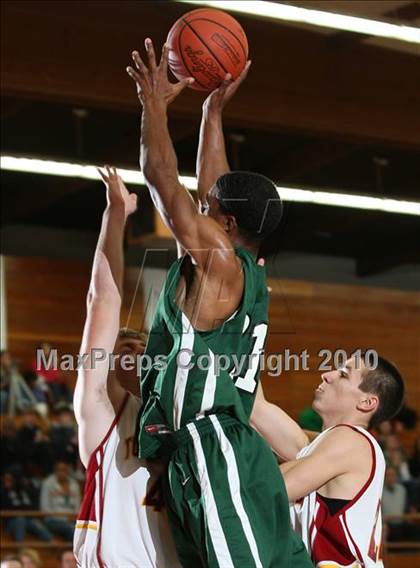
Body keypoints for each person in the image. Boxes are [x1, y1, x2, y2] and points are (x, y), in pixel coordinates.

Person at [126, 40, 311, 567]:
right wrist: (212, 112)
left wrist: (154, 106)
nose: (202, 206)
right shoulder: (240, 265)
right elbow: (214, 187)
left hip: (214, 442)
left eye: (210, 211)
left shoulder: (220, 263)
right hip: (222, 443)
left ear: (226, 226)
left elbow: (164, 182)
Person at [73, 167, 179, 566]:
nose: (136, 350)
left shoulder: (179, 410)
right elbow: (102, 300)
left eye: (142, 345)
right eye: (125, 345)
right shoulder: (102, 411)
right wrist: (114, 214)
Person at [251, 352, 405, 567]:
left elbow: (271, 489)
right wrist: (243, 345)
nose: (326, 374)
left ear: (367, 402)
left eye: (343, 374)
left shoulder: (353, 441)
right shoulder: (326, 449)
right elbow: (256, 408)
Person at [0, 467, 52, 542]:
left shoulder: (25, 490)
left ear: (16, 480)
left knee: (36, 523)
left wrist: (22, 512)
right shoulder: (2, 492)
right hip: (11, 522)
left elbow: (32, 507)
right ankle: (20, 547)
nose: (7, 482)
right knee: (20, 521)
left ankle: (51, 543)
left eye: (10, 480)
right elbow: (6, 508)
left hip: (28, 519)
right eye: (5, 480)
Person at [40, 461, 81, 541]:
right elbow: (44, 508)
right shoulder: (48, 483)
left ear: (68, 471)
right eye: (59, 470)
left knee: (84, 529)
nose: (61, 472)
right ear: (55, 471)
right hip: (53, 520)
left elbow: (78, 506)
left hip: (72, 519)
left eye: (64, 470)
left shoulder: (74, 484)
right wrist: (64, 518)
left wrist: (73, 517)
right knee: (72, 529)